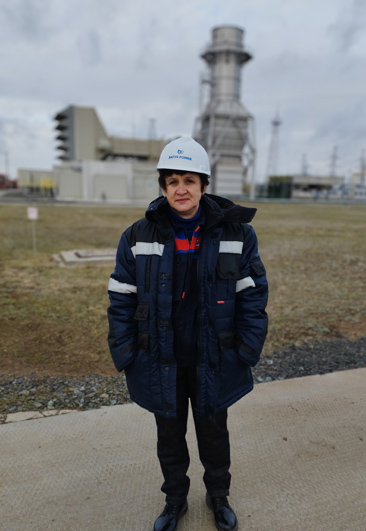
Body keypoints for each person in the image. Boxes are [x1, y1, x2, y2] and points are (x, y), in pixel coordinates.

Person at [107, 136, 268, 531]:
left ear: (204, 185)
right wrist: (127, 354)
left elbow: (252, 295)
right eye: (173, 181)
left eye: (190, 180)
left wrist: (246, 350)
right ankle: (174, 500)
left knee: (214, 435)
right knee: (169, 437)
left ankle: (219, 497)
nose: (181, 189)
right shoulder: (137, 236)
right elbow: (121, 297)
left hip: (214, 357)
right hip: (160, 359)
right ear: (163, 188)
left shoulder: (237, 234)